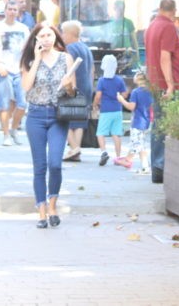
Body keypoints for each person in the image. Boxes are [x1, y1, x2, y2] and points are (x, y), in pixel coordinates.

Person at [19, 23, 78, 229]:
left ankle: (53, 205)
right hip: (35, 115)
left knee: (55, 163)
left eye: (49, 35)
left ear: (55, 37)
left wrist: (68, 85)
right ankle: (42, 211)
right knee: (40, 166)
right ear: (36, 39)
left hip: (57, 116)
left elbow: (73, 92)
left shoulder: (66, 58)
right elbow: (26, 87)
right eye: (42, 36)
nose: (46, 39)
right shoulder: (28, 60)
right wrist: (36, 59)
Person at [143, 0, 179, 184]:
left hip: (155, 81)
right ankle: (160, 165)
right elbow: (165, 57)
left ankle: (157, 166)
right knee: (167, 125)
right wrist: (170, 84)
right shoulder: (168, 27)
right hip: (165, 83)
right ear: (174, 11)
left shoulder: (152, 25)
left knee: (159, 124)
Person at [0, 0, 30, 146]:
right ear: (5, 11)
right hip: (3, 69)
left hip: (19, 70)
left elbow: (28, 49)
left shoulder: (24, 29)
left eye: (14, 9)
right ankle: (6, 135)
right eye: (9, 9)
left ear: (18, 12)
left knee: (22, 103)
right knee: (4, 103)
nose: (12, 12)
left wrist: (25, 66)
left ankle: (14, 129)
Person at [60, 20, 94, 162]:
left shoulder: (70, 49)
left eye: (63, 33)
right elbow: (92, 69)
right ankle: (76, 149)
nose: (61, 36)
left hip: (73, 87)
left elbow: (68, 69)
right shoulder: (86, 48)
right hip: (86, 87)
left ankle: (74, 148)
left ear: (70, 34)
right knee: (79, 120)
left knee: (65, 118)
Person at [94, 54, 129, 168]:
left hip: (105, 110)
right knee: (116, 134)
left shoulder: (101, 80)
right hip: (117, 110)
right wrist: (119, 97)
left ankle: (104, 152)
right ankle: (118, 157)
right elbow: (125, 94)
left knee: (100, 133)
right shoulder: (119, 80)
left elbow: (98, 96)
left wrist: (95, 105)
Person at [116, 72, 153, 174]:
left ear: (138, 79)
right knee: (141, 145)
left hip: (137, 121)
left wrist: (121, 100)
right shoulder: (150, 91)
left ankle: (128, 159)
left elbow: (131, 107)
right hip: (146, 121)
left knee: (136, 143)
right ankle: (145, 167)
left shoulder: (136, 92)